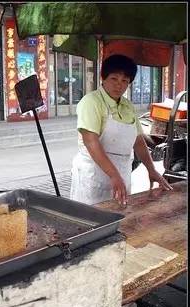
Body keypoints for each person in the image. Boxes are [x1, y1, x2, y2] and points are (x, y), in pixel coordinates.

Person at [70, 54, 172, 206]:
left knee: (119, 221)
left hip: (122, 175)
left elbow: (138, 140)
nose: (119, 85)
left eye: (125, 81)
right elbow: (91, 142)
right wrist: (113, 175)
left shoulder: (128, 106)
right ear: (103, 78)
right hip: (94, 176)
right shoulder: (91, 102)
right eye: (114, 79)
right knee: (91, 220)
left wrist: (151, 170)